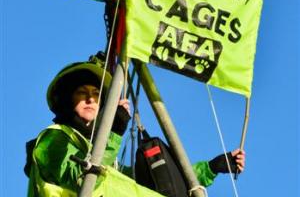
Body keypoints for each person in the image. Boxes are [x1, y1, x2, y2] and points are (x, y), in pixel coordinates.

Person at [24, 55, 245, 196]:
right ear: (68, 102)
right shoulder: (53, 140)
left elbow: (151, 181)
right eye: (82, 94)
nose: (91, 99)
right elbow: (84, 179)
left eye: (96, 94)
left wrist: (212, 167)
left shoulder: (106, 159)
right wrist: (114, 132)